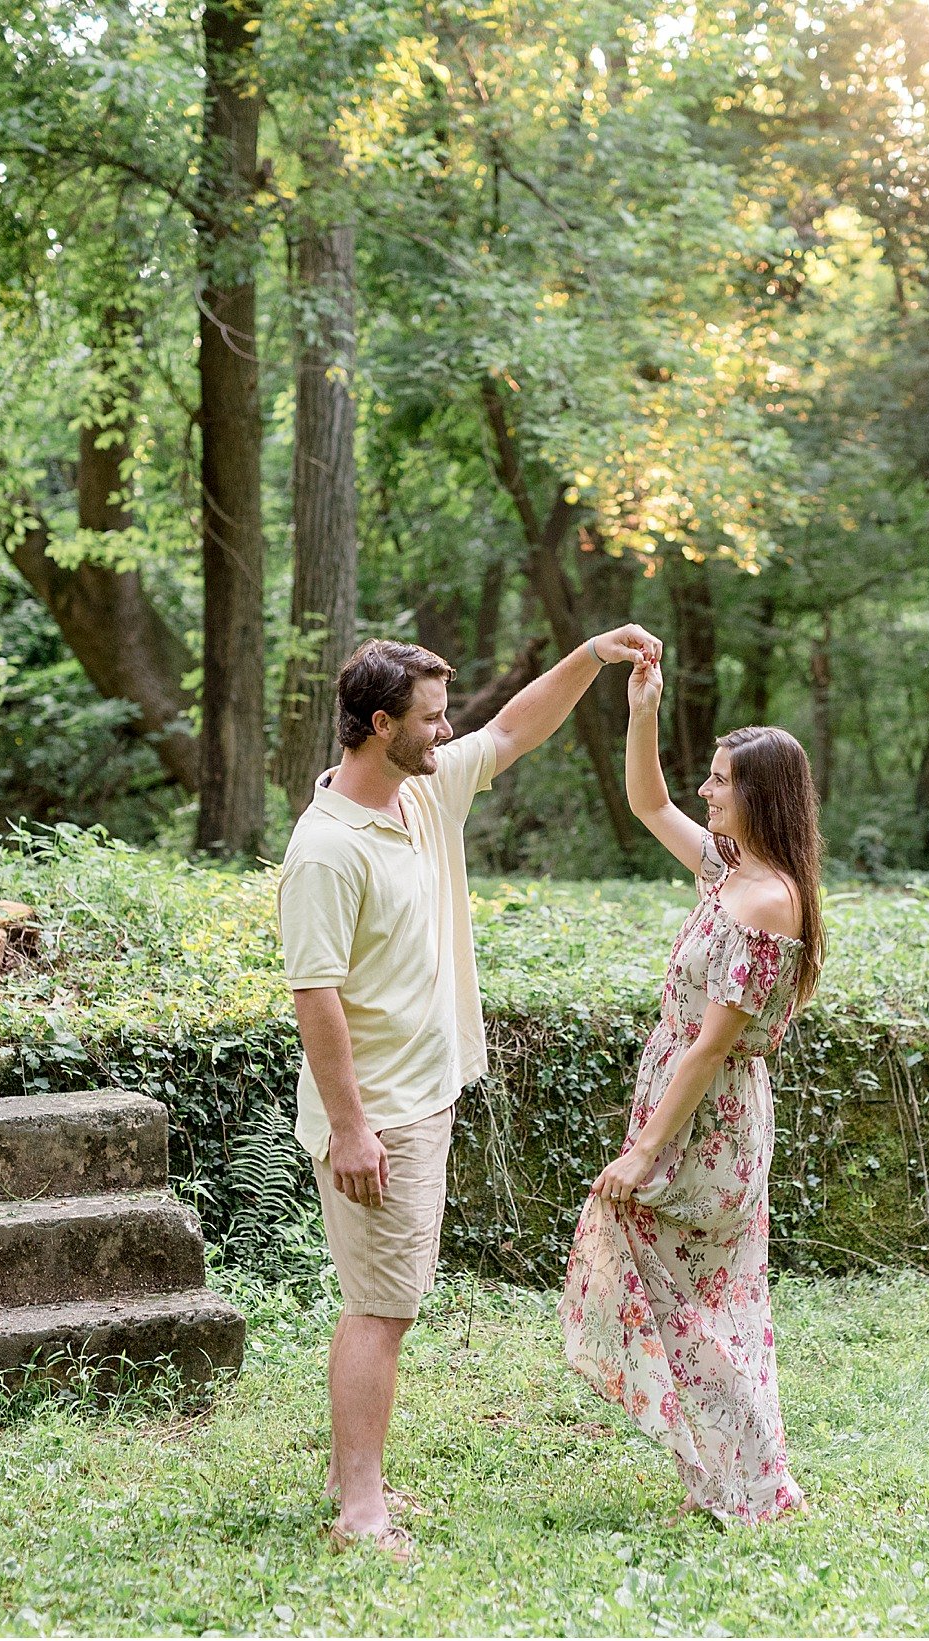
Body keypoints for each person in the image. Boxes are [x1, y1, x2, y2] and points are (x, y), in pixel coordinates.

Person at [280, 627, 660, 1560]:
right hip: (379, 1118)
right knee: (381, 1306)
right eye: (431, 716)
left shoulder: (425, 788)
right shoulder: (327, 849)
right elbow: (313, 995)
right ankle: (360, 1511)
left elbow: (516, 730)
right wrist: (354, 1127)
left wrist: (591, 657)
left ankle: (348, 1476)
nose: (448, 730)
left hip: (424, 1098)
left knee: (384, 1294)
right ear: (379, 725)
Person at [560, 650, 825, 1525]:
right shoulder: (728, 871)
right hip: (684, 1106)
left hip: (707, 1121)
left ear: (760, 795)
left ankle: (753, 1484)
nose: (706, 793)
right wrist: (645, 706)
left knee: (696, 1298)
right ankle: (733, 1480)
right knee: (709, 1300)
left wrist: (642, 1151)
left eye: (720, 782)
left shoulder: (766, 901)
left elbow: (711, 1048)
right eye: (708, 780)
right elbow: (648, 803)